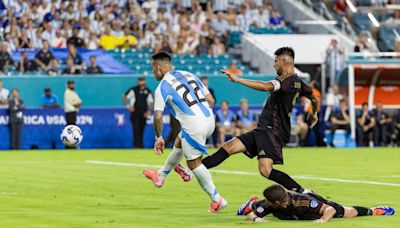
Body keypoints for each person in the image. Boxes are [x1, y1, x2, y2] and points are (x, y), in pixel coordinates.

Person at [202, 47, 319, 194]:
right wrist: (314, 113)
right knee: (229, 146)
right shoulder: (298, 83)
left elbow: (265, 86)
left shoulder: (285, 81)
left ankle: (303, 192)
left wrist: (238, 79)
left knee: (265, 170)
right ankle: (193, 167)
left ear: (284, 61)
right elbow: (314, 98)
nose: (274, 64)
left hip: (273, 130)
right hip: (265, 129)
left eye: (275, 61)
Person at [142, 52, 227, 213]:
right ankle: (160, 176)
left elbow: (158, 117)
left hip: (195, 125)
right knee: (180, 140)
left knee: (194, 163)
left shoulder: (162, 87)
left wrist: (159, 138)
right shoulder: (189, 74)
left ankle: (217, 199)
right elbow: (211, 101)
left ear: (158, 67)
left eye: (153, 69)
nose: (153, 73)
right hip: (210, 120)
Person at [237, 184, 395, 223]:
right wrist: (256, 218)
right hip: (288, 208)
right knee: (255, 208)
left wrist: (323, 219)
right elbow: (251, 217)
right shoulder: (271, 203)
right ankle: (252, 203)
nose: (268, 203)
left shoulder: (303, 203)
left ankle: (374, 210)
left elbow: (330, 210)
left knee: (345, 213)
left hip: (311, 201)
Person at [122, 77, 154, 148]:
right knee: (135, 129)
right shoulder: (134, 90)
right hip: (135, 112)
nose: (142, 83)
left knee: (142, 129)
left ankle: (141, 145)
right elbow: (124, 96)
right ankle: (136, 145)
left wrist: (149, 110)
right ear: (138, 82)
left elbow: (152, 102)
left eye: (143, 81)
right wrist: (128, 105)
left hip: (144, 112)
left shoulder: (147, 91)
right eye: (140, 81)